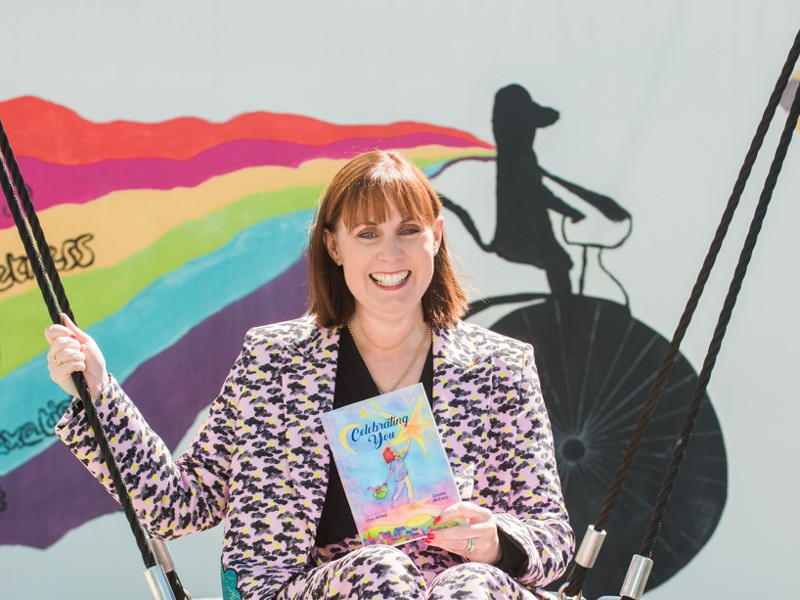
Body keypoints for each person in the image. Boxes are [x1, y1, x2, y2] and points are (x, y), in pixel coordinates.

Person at [45, 150, 574, 600]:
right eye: (368, 233)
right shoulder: (274, 362)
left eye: (408, 231)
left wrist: (500, 540)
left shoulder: (498, 366)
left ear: (435, 237)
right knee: (380, 572)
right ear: (334, 245)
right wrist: (98, 394)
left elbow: (551, 540)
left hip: (457, 590)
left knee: (471, 587)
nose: (391, 253)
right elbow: (179, 506)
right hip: (313, 587)